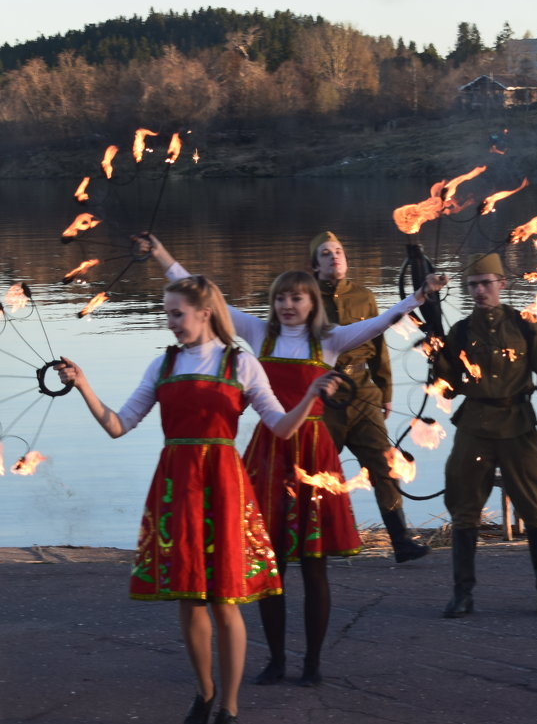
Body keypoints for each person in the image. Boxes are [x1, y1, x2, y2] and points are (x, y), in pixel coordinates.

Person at [142, 235, 447, 687]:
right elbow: (205, 294)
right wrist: (163, 257)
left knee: (316, 563)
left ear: (311, 302)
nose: (288, 305)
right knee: (272, 561)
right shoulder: (257, 334)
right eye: (281, 298)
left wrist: (422, 293)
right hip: (269, 454)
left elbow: (385, 320)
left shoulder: (332, 339)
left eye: (297, 297)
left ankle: (313, 663)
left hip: (315, 454)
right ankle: (277, 659)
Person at [57, 274, 341, 724]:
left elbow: (281, 427)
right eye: (168, 313)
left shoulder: (241, 363)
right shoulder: (163, 366)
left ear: (204, 313)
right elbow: (118, 424)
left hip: (225, 484)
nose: (170, 322)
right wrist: (84, 385)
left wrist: (308, 395)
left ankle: (229, 706)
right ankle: (204, 692)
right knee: (189, 598)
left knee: (225, 599)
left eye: (176, 313)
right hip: (177, 486)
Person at [431, 252, 537, 618]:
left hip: (519, 425)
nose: (480, 291)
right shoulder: (460, 331)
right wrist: (436, 355)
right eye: (474, 285)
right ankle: (462, 595)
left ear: (501, 285)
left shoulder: (525, 325)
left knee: (535, 507)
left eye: (486, 284)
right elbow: (447, 387)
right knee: (464, 508)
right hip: (474, 426)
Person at [309, 231, 430, 564]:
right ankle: (305, 540)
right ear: (315, 265)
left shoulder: (364, 295)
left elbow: (379, 344)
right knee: (315, 468)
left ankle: (401, 540)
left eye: (339, 251)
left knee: (384, 465)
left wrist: (385, 390)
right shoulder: (303, 297)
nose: (334, 257)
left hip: (363, 391)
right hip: (324, 393)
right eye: (325, 254)